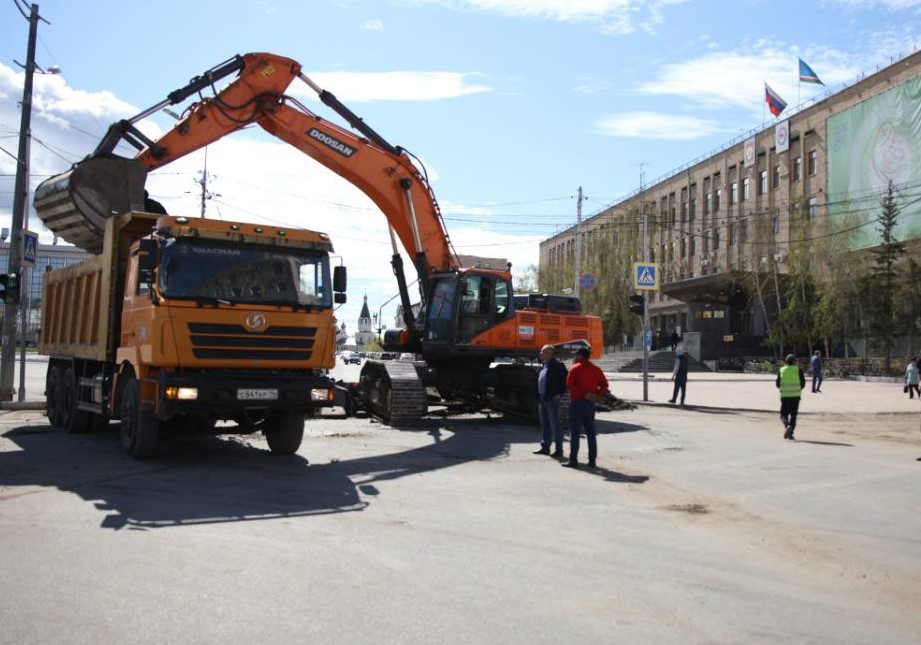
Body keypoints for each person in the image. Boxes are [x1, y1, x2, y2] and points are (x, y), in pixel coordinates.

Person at [563, 346, 609, 469]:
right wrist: (596, 394)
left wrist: (584, 394)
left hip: (577, 403)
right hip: (590, 404)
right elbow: (605, 385)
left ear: (580, 356)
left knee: (575, 432)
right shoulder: (596, 369)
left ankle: (573, 460)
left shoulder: (575, 368)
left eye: (576, 355)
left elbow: (569, 384)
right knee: (591, 433)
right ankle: (592, 461)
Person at [534, 344, 568, 458]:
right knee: (545, 424)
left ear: (550, 353)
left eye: (543, 352)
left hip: (552, 399)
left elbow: (565, 381)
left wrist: (559, 394)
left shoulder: (558, 366)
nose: (540, 354)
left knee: (555, 425)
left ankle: (559, 450)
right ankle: (545, 447)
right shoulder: (545, 365)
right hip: (543, 398)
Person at [776, 354, 806, 440]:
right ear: (794, 361)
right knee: (793, 415)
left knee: (783, 414)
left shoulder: (781, 370)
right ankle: (791, 433)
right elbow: (803, 383)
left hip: (785, 396)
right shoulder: (798, 370)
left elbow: (778, 384)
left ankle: (787, 425)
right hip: (796, 396)